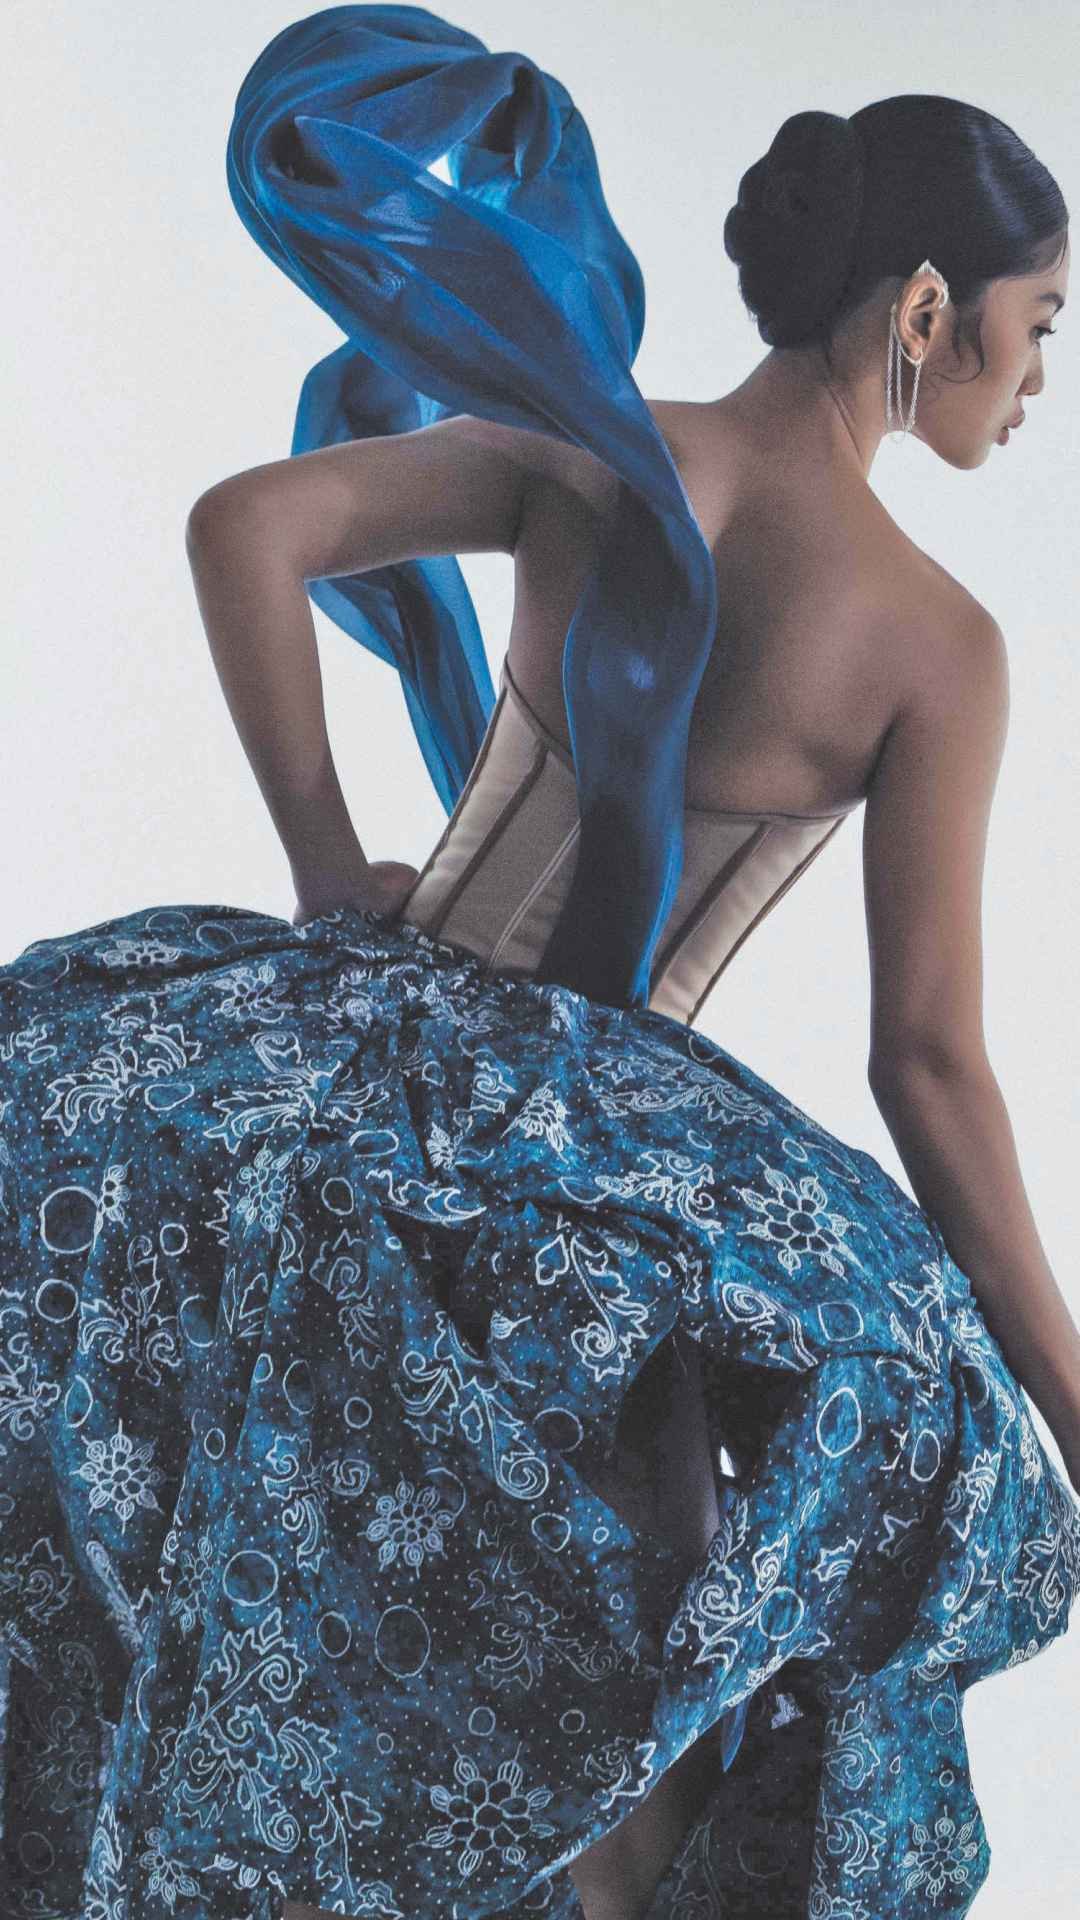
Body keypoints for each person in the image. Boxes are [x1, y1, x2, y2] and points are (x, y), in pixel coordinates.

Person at [1, 8, 1077, 1919]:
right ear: (929, 311)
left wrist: (326, 868)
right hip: (608, 1199)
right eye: (1041, 320)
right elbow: (928, 1066)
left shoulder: (597, 447)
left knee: (280, 1605)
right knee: (624, 1705)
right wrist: (1070, 1394)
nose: (1044, 374)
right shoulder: (937, 645)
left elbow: (247, 526)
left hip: (342, 1089)